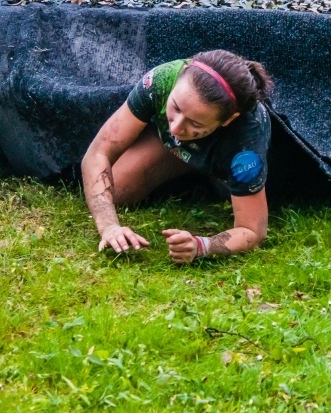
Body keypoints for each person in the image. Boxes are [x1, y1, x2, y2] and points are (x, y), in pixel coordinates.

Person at [81, 49, 273, 264]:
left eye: (195, 123)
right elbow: (98, 152)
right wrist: (109, 227)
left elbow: (253, 230)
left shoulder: (247, 138)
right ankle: (186, 166)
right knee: (117, 191)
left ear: (228, 120)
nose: (175, 128)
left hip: (224, 164)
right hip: (172, 149)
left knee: (229, 194)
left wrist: (202, 245)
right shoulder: (162, 80)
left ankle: (201, 173)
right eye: (175, 107)